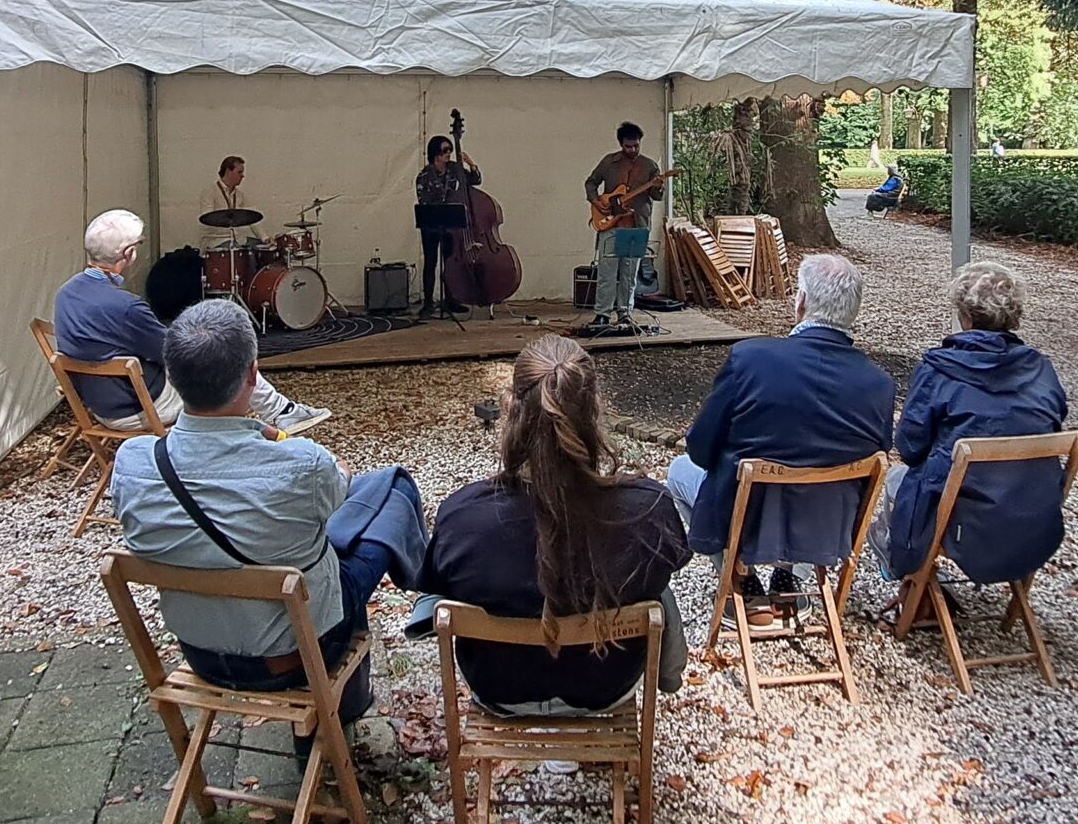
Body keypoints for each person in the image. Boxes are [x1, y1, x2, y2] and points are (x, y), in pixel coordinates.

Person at [110, 300, 427, 722]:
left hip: (200, 649)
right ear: (252, 376)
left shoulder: (132, 462)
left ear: (171, 376)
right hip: (297, 653)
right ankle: (425, 592)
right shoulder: (303, 463)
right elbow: (341, 482)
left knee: (318, 531)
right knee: (392, 487)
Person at [425, 337, 689, 713]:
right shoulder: (648, 508)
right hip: (605, 687)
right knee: (656, 588)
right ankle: (669, 678)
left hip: (502, 690)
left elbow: (439, 583)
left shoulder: (463, 516)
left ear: (510, 408)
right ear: (594, 410)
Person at [668, 254, 895, 605]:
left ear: (801, 302)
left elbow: (699, 449)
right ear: (853, 311)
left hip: (745, 517)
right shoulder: (878, 384)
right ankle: (789, 577)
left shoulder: (751, 359)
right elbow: (872, 465)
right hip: (825, 526)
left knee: (677, 470)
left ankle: (741, 577)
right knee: (818, 482)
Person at [871, 262, 1070, 584]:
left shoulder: (941, 369)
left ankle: (903, 568)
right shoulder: (1042, 370)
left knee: (898, 478)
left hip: (965, 522)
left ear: (965, 314)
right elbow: (1054, 419)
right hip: (1034, 519)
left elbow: (909, 446)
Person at [54, 210, 329, 437]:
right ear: (128, 254)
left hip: (100, 405)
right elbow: (177, 353)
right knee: (225, 361)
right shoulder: (125, 307)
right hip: (138, 405)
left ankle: (281, 414)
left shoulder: (65, 293)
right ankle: (279, 415)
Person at [583, 122, 665, 331]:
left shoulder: (649, 166)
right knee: (606, 272)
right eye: (628, 146)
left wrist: (658, 187)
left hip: (636, 225)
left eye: (636, 146)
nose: (633, 150)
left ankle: (625, 314)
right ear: (621, 144)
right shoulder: (609, 162)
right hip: (611, 224)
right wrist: (597, 202)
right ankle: (602, 314)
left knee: (629, 273)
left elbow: (656, 196)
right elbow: (591, 183)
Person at [414, 134, 480, 317]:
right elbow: (424, 201)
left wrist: (470, 163)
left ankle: (451, 299)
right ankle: (428, 303)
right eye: (445, 151)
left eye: (450, 150)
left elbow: (475, 181)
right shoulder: (424, 176)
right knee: (430, 262)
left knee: (450, 264)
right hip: (431, 226)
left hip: (450, 227)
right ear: (435, 153)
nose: (449, 154)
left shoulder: (453, 169)